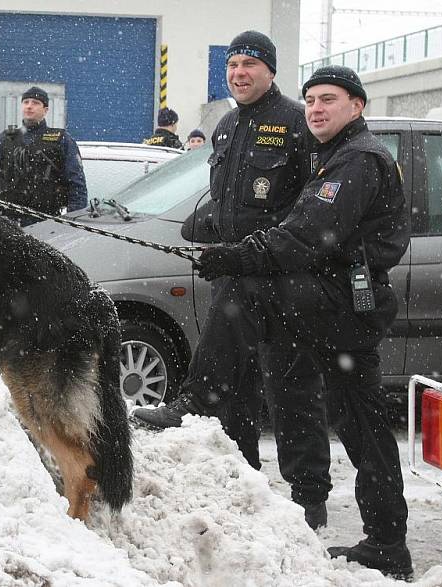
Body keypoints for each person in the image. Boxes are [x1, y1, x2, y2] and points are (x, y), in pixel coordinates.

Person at [178, 66, 412, 578]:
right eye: (310, 101)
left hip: (343, 304)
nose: (316, 109)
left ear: (358, 106)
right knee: (359, 420)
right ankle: (387, 542)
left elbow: (306, 235)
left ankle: (200, 396)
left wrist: (235, 256)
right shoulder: (329, 155)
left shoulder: (358, 160)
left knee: (244, 291)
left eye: (329, 99)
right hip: (333, 301)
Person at [133, 30, 332, 531]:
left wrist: (259, 250)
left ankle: (309, 502)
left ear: (270, 70)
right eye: (232, 65)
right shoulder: (225, 127)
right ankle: (245, 486)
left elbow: (305, 210)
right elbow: (223, 201)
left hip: (283, 278)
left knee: (292, 391)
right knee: (237, 391)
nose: (239, 73)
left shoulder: (296, 123)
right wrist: (202, 229)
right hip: (237, 274)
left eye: (249, 64)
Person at [0, 86, 88, 227]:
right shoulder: (4, 140)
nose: (29, 106)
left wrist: (73, 223)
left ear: (45, 110)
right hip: (8, 222)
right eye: (26, 102)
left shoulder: (60, 140)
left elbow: (77, 185)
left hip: (47, 223)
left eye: (35, 102)